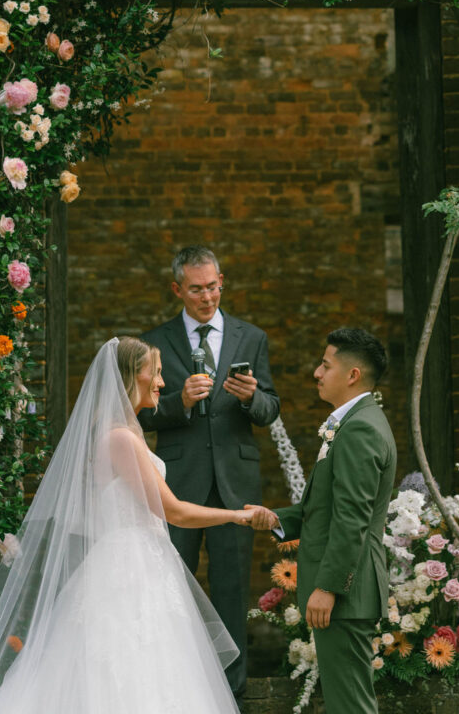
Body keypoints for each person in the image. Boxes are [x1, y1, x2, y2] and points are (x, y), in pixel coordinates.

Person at [0, 337, 255, 714]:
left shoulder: (120, 433)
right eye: (157, 373)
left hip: (137, 563)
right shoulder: (119, 439)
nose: (163, 383)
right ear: (133, 376)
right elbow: (175, 512)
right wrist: (236, 515)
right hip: (130, 570)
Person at [139, 245, 280, 700]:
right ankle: (173, 695)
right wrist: (178, 402)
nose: (207, 297)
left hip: (234, 484)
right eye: (196, 289)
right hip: (177, 483)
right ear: (177, 289)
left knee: (232, 593)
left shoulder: (251, 337)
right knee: (170, 588)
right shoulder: (155, 340)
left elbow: (269, 409)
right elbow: (138, 414)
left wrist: (248, 396)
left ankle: (230, 699)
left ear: (223, 281)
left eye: (213, 287)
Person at [247, 327, 397, 714]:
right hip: (349, 595)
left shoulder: (360, 428)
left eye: (325, 365)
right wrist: (273, 520)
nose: (316, 372)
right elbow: (327, 509)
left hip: (346, 595)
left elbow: (353, 519)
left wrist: (328, 588)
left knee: (351, 706)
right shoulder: (351, 423)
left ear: (352, 375)